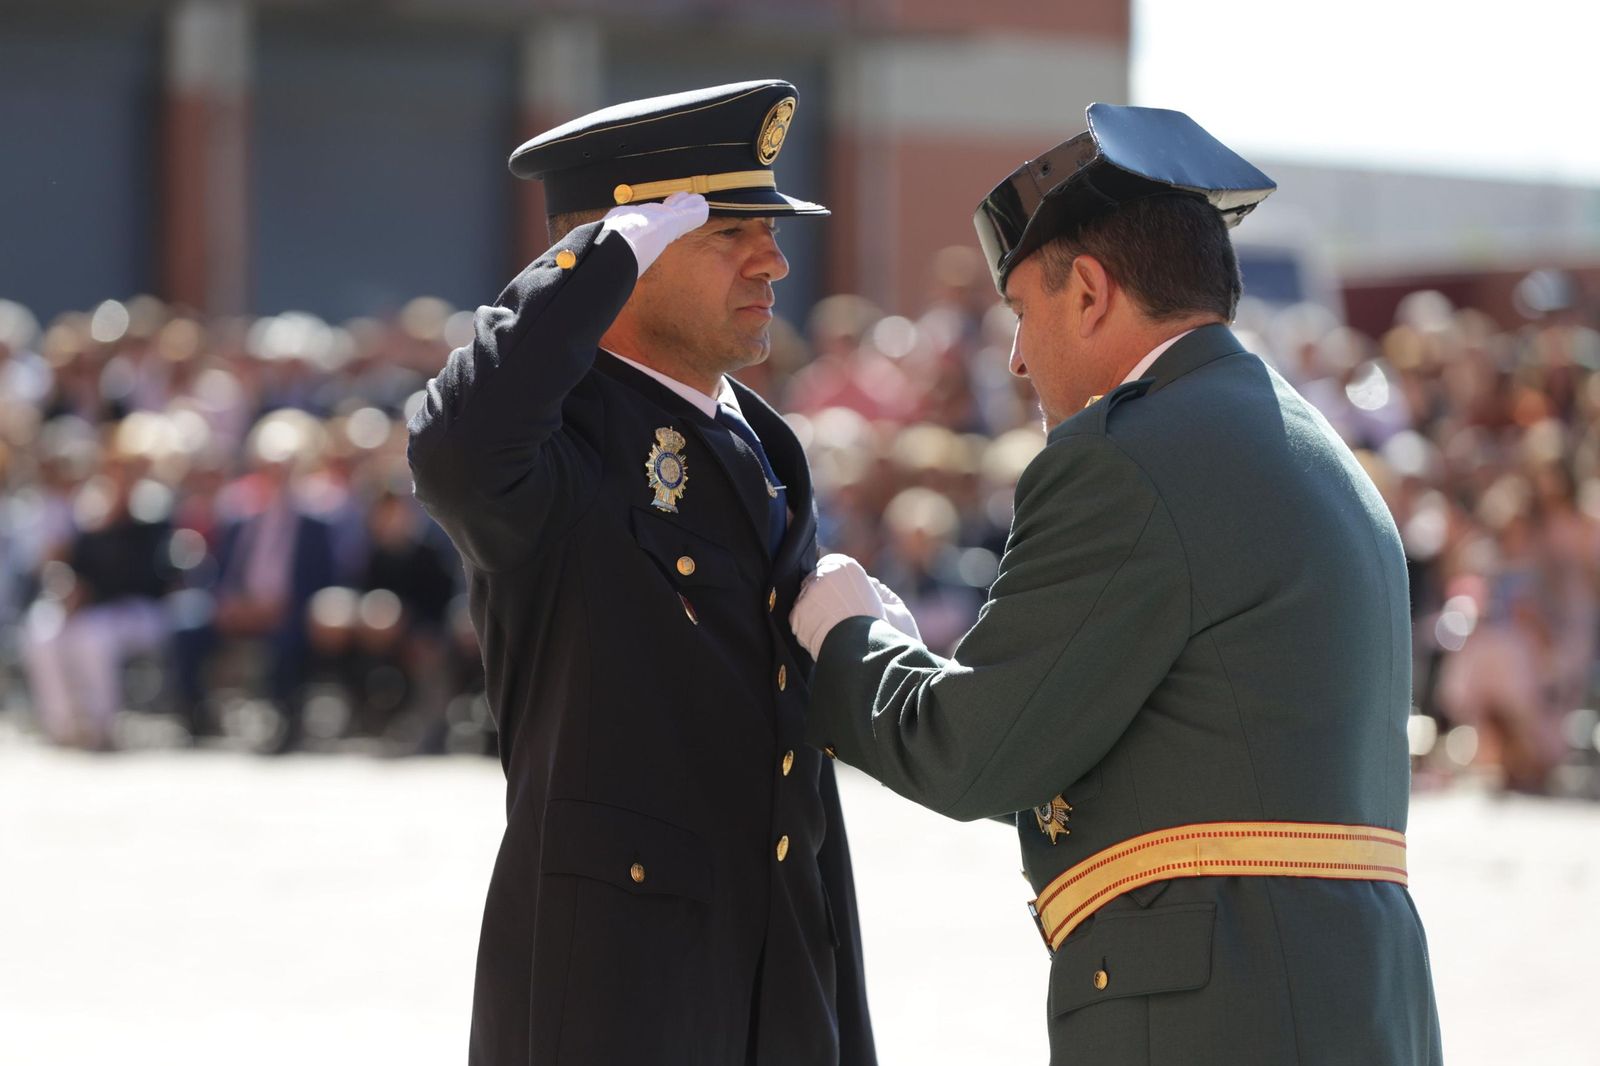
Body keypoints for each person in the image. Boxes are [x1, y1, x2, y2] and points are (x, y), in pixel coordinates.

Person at [790, 104, 1443, 1064]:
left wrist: (851, 639)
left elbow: (978, 752)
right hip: (1340, 998)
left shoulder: (1128, 455)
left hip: (1216, 1015)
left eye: (1023, 311)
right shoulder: (1306, 443)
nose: (1016, 356)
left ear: (1090, 291)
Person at [407, 81, 875, 1065]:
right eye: (730, 232)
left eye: (770, 231)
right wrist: (586, 266)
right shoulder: (561, 441)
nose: (774, 260)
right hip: (625, 983)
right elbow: (456, 452)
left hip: (782, 964)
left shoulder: (760, 438)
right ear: (631, 248)